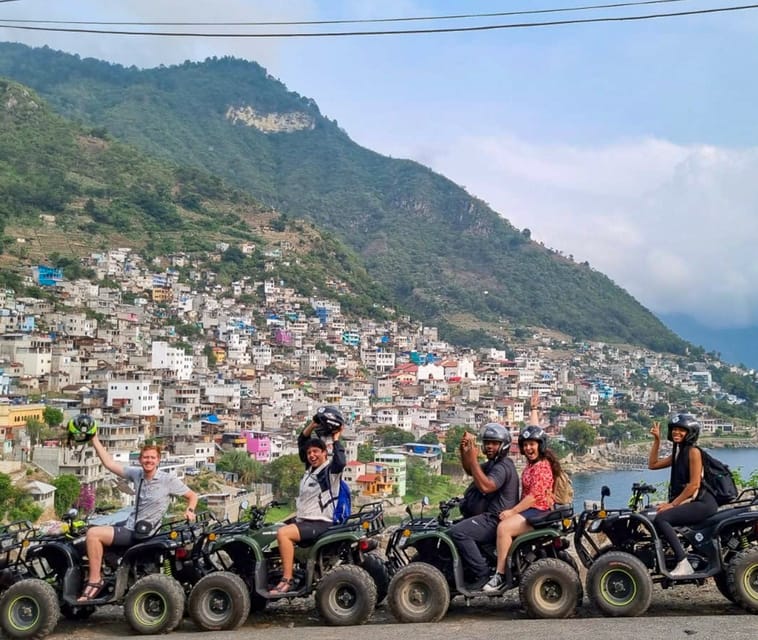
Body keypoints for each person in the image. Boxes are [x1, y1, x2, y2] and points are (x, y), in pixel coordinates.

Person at [77, 430, 198, 602]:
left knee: (93, 534)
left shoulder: (167, 480)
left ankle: (96, 579)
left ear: (158, 460)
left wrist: (190, 510)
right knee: (88, 530)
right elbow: (110, 464)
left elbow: (192, 496)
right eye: (145, 457)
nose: (149, 460)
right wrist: (95, 439)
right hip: (132, 522)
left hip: (140, 531)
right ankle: (107, 566)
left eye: (152, 458)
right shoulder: (137, 474)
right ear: (140, 459)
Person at [270, 406, 346, 594]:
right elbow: (302, 440)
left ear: (324, 453)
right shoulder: (310, 471)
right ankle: (283, 569)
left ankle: (286, 580)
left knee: (283, 534)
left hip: (320, 522)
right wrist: (314, 422)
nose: (312, 455)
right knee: (271, 529)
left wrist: (336, 438)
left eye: (316, 452)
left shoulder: (329, 472)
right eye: (309, 453)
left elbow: (341, 461)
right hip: (305, 519)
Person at [484, 425, 564, 592]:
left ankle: (499, 574)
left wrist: (512, 512)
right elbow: (534, 430)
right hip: (532, 509)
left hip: (538, 510)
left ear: (540, 445)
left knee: (504, 528)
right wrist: (534, 410)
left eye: (532, 444)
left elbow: (533, 497)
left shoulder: (541, 466)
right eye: (525, 445)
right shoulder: (532, 464)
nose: (528, 448)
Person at [448, 423, 518, 590]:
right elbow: (473, 471)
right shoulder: (494, 463)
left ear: (503, 445)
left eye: (494, 443)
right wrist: (464, 452)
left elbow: (487, 486)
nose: (489, 446)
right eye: (487, 443)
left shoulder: (502, 466)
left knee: (458, 532)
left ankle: (482, 572)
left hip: (495, 519)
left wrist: (472, 458)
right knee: (455, 526)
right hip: (489, 517)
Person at [648, 413, 717, 577]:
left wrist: (672, 505)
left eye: (681, 430)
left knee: (662, 518)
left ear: (690, 432)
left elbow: (694, 485)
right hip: (692, 501)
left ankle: (683, 561)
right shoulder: (679, 452)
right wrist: (657, 440)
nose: (676, 433)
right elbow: (653, 464)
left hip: (703, 503)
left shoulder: (693, 452)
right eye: (674, 429)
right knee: (653, 513)